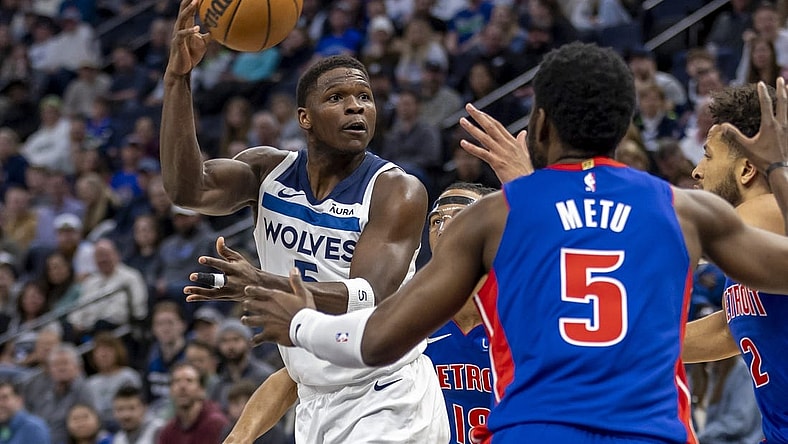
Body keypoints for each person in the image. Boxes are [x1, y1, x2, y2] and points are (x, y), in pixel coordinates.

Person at [240, 42, 788, 443]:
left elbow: (377, 341)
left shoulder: (496, 217)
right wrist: (779, 166)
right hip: (651, 432)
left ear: (541, 123)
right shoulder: (685, 210)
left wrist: (298, 318)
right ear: (625, 124)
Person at [160, 1, 447, 442]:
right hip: (314, 398)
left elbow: (365, 296)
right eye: (337, 98)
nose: (356, 108)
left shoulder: (397, 189)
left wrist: (259, 284)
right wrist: (178, 79)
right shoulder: (266, 172)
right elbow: (187, 190)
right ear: (304, 119)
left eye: (364, 98)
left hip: (388, 397)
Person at [683, 83, 788, 442]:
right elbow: (731, 330)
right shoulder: (749, 235)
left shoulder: (763, 215)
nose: (697, 171)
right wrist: (633, 343)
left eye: (708, 155)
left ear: (746, 170)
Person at [423, 183, 495, 444]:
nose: (443, 228)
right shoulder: (407, 319)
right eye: (436, 221)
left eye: (460, 216)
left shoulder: (522, 316)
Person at [156, 363, 228, 444]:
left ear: (202, 390)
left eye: (189, 381)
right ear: (170, 390)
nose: (182, 386)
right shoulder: (167, 431)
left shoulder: (216, 424)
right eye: (177, 381)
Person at [0, 379, 51, 444]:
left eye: (5, 398)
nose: (0, 404)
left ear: (19, 400)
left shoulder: (33, 429)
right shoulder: (3, 426)